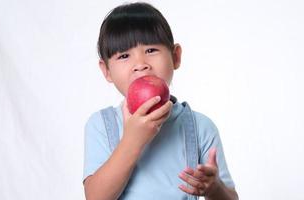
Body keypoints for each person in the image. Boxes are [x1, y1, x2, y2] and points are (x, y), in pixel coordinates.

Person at [83, 2, 238, 200]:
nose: (140, 65)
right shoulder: (101, 126)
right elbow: (95, 197)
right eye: (124, 55)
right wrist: (133, 139)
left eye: (150, 50)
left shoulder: (200, 128)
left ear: (175, 56)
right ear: (106, 71)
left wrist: (214, 188)